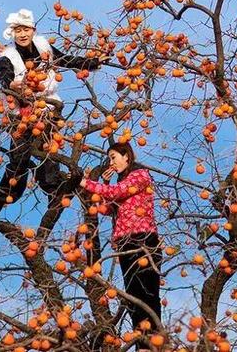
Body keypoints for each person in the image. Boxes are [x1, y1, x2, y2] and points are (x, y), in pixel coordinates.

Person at [0, 8, 105, 218]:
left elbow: (65, 60)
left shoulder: (43, 46)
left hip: (49, 110)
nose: (22, 34)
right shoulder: (7, 56)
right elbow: (4, 77)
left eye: (26, 30)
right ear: (13, 33)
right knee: (18, 160)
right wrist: (15, 84)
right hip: (22, 115)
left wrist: (90, 62)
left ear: (33, 30)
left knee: (48, 154)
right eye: (18, 30)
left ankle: (54, 192)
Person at [79, 142, 161, 350]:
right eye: (109, 159)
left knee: (147, 294)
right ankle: (142, 343)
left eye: (113, 157)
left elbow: (118, 192)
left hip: (143, 240)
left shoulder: (140, 175)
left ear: (126, 156)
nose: (111, 162)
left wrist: (85, 183)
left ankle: (153, 342)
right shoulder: (120, 183)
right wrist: (98, 191)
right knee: (133, 296)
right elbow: (108, 208)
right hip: (124, 243)